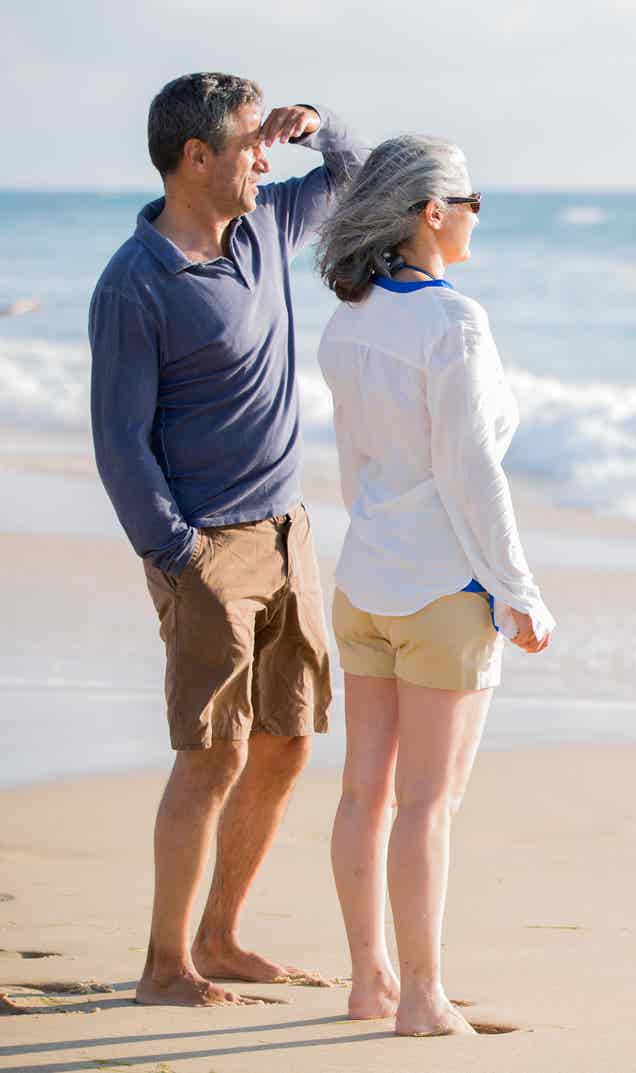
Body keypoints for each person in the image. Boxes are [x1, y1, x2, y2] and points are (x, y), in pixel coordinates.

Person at [88, 73, 367, 1007]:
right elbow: (119, 443)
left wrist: (317, 121)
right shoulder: (135, 283)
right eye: (248, 141)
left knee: (286, 741)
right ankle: (166, 965)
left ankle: (223, 933)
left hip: (289, 532)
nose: (263, 154)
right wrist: (178, 557)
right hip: (205, 547)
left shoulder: (263, 228)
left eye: (265, 140)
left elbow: (354, 178)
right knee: (213, 754)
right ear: (193, 157)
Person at [315, 135, 555, 1037]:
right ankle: (420, 997)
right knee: (427, 803)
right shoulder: (454, 321)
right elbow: (470, 471)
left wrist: (379, 533)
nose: (476, 215)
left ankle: (369, 980)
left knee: (362, 795)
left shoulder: (351, 316)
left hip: (366, 575)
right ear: (432, 211)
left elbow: (353, 462)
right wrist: (518, 587)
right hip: (442, 589)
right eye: (471, 199)